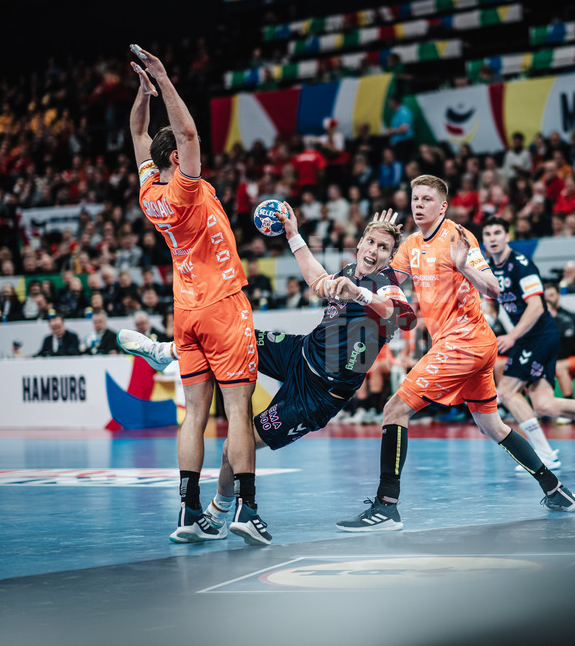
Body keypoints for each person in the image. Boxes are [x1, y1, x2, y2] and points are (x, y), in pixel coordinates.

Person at [121, 209, 416, 518]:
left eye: (383, 248)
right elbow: (318, 281)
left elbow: (402, 317)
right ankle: (166, 351)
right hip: (299, 353)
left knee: (234, 446)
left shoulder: (386, 284)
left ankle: (217, 513)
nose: (374, 251)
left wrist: (361, 295)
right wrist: (293, 236)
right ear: (360, 243)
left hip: (317, 396)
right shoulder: (351, 270)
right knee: (234, 335)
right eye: (371, 242)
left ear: (391, 257)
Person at [336, 175, 575, 533]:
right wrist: (372, 245)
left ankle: (386, 507)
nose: (418, 204)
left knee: (394, 409)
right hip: (466, 345)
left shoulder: (458, 237)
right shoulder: (410, 244)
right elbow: (383, 276)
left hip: (464, 342)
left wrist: (464, 265)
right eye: (415, 198)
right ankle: (556, 489)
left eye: (426, 199)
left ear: (443, 206)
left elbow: (494, 289)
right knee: (492, 426)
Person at [119, 45, 264, 546]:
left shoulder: (150, 193)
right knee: (238, 411)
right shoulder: (183, 188)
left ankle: (187, 511)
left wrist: (143, 95)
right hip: (222, 305)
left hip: (185, 312)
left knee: (194, 415)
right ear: (176, 160)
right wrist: (161, 76)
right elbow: (188, 133)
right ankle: (246, 509)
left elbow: (138, 134)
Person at [481, 217, 575, 465]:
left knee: (506, 391)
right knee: (544, 404)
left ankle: (544, 453)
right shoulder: (490, 269)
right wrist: (484, 321)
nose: (493, 238)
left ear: (507, 236)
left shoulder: (521, 264)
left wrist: (513, 336)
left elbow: (537, 307)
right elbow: (492, 306)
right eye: (488, 234)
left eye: (497, 233)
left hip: (538, 335)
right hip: (531, 338)